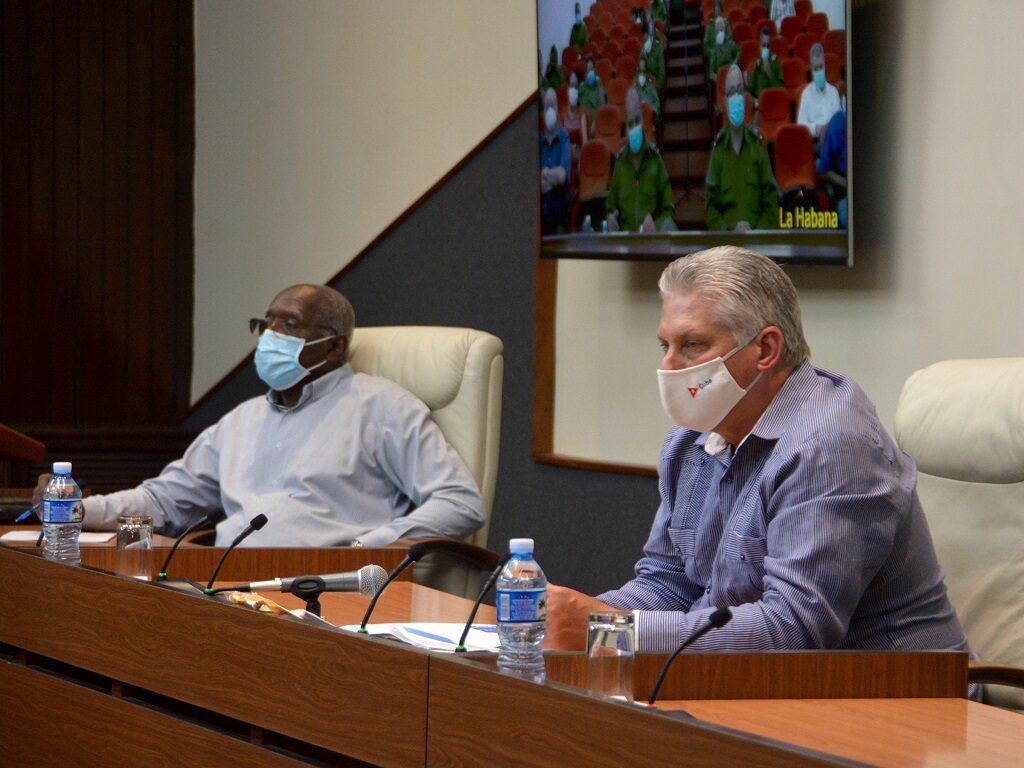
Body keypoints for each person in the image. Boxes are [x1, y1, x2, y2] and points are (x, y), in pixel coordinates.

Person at [544, 247, 974, 664]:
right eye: (665, 346)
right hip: (777, 690)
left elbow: (795, 629)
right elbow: (669, 583)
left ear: (766, 350)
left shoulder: (829, 444)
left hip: (908, 700)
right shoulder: (688, 441)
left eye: (692, 345)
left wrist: (609, 632)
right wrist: (570, 619)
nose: (670, 367)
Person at [33, 285, 485, 548]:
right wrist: (76, 509)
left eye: (289, 326)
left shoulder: (384, 407)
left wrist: (363, 549)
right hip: (229, 584)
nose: (269, 337)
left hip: (326, 594)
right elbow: (164, 502)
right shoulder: (241, 422)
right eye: (265, 324)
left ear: (334, 347)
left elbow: (460, 503)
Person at [705, 65, 779, 231]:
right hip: (728, 247)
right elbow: (710, 208)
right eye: (731, 92)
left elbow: (770, 197)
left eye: (740, 90)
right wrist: (729, 233)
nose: (736, 97)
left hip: (759, 243)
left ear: (745, 97)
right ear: (725, 102)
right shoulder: (718, 150)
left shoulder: (757, 144)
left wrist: (758, 233)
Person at [606, 88, 676, 233]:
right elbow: (610, 208)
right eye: (630, 124)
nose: (634, 128)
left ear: (643, 121)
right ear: (625, 126)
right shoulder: (619, 165)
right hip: (627, 241)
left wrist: (655, 224)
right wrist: (611, 218)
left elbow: (669, 210)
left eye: (637, 121)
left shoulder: (655, 160)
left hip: (652, 239)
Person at [540, 87, 571, 235]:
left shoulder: (564, 137)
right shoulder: (538, 141)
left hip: (559, 207)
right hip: (540, 210)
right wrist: (550, 176)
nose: (550, 110)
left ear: (558, 108)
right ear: (543, 111)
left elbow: (562, 176)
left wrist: (544, 173)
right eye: (547, 106)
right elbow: (536, 181)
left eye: (553, 106)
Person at [797, 43, 841, 144]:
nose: (819, 71)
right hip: (815, 142)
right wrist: (816, 128)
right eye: (816, 69)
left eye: (821, 67)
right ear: (811, 70)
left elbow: (839, 121)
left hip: (833, 140)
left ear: (825, 66)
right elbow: (801, 123)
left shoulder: (833, 92)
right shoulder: (806, 94)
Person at [747, 24, 783, 102]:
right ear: (759, 45)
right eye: (764, 45)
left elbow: (781, 88)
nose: (766, 48)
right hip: (759, 103)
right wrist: (754, 102)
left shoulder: (775, 61)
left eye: (768, 45)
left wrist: (770, 73)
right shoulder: (757, 64)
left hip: (774, 101)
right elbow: (749, 90)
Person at [707, 17, 740, 83]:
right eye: (718, 27)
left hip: (731, 74)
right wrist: (716, 77)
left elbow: (739, 52)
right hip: (720, 78)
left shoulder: (730, 43)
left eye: (721, 27)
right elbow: (711, 73)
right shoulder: (714, 49)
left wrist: (735, 62)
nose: (720, 29)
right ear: (716, 30)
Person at [562, 71, 590, 147]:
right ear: (567, 89)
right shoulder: (562, 114)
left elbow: (585, 144)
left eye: (576, 86)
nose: (573, 90)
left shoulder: (582, 114)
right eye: (571, 86)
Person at [578, 55, 606, 126]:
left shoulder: (599, 84)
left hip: (599, 121)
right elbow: (582, 110)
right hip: (586, 124)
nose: (591, 72)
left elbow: (602, 106)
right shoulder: (581, 89)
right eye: (588, 70)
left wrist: (596, 121)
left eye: (592, 69)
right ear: (585, 73)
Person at [634, 55, 660, 121]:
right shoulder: (634, 83)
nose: (642, 67)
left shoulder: (651, 80)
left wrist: (654, 110)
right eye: (640, 65)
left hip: (650, 108)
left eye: (643, 65)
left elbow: (655, 100)